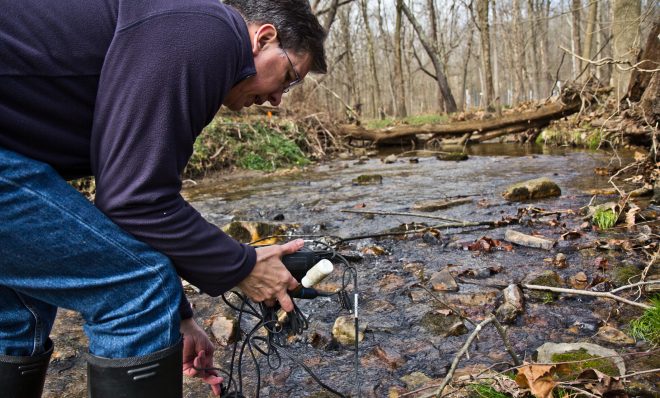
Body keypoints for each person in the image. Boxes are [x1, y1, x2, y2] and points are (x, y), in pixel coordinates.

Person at [0, 0, 327, 397]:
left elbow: (135, 200)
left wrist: (180, 317)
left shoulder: (183, 38)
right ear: (264, 38)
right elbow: (134, 201)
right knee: (137, 293)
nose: (279, 99)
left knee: (21, 314)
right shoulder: (211, 32)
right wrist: (242, 266)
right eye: (290, 76)